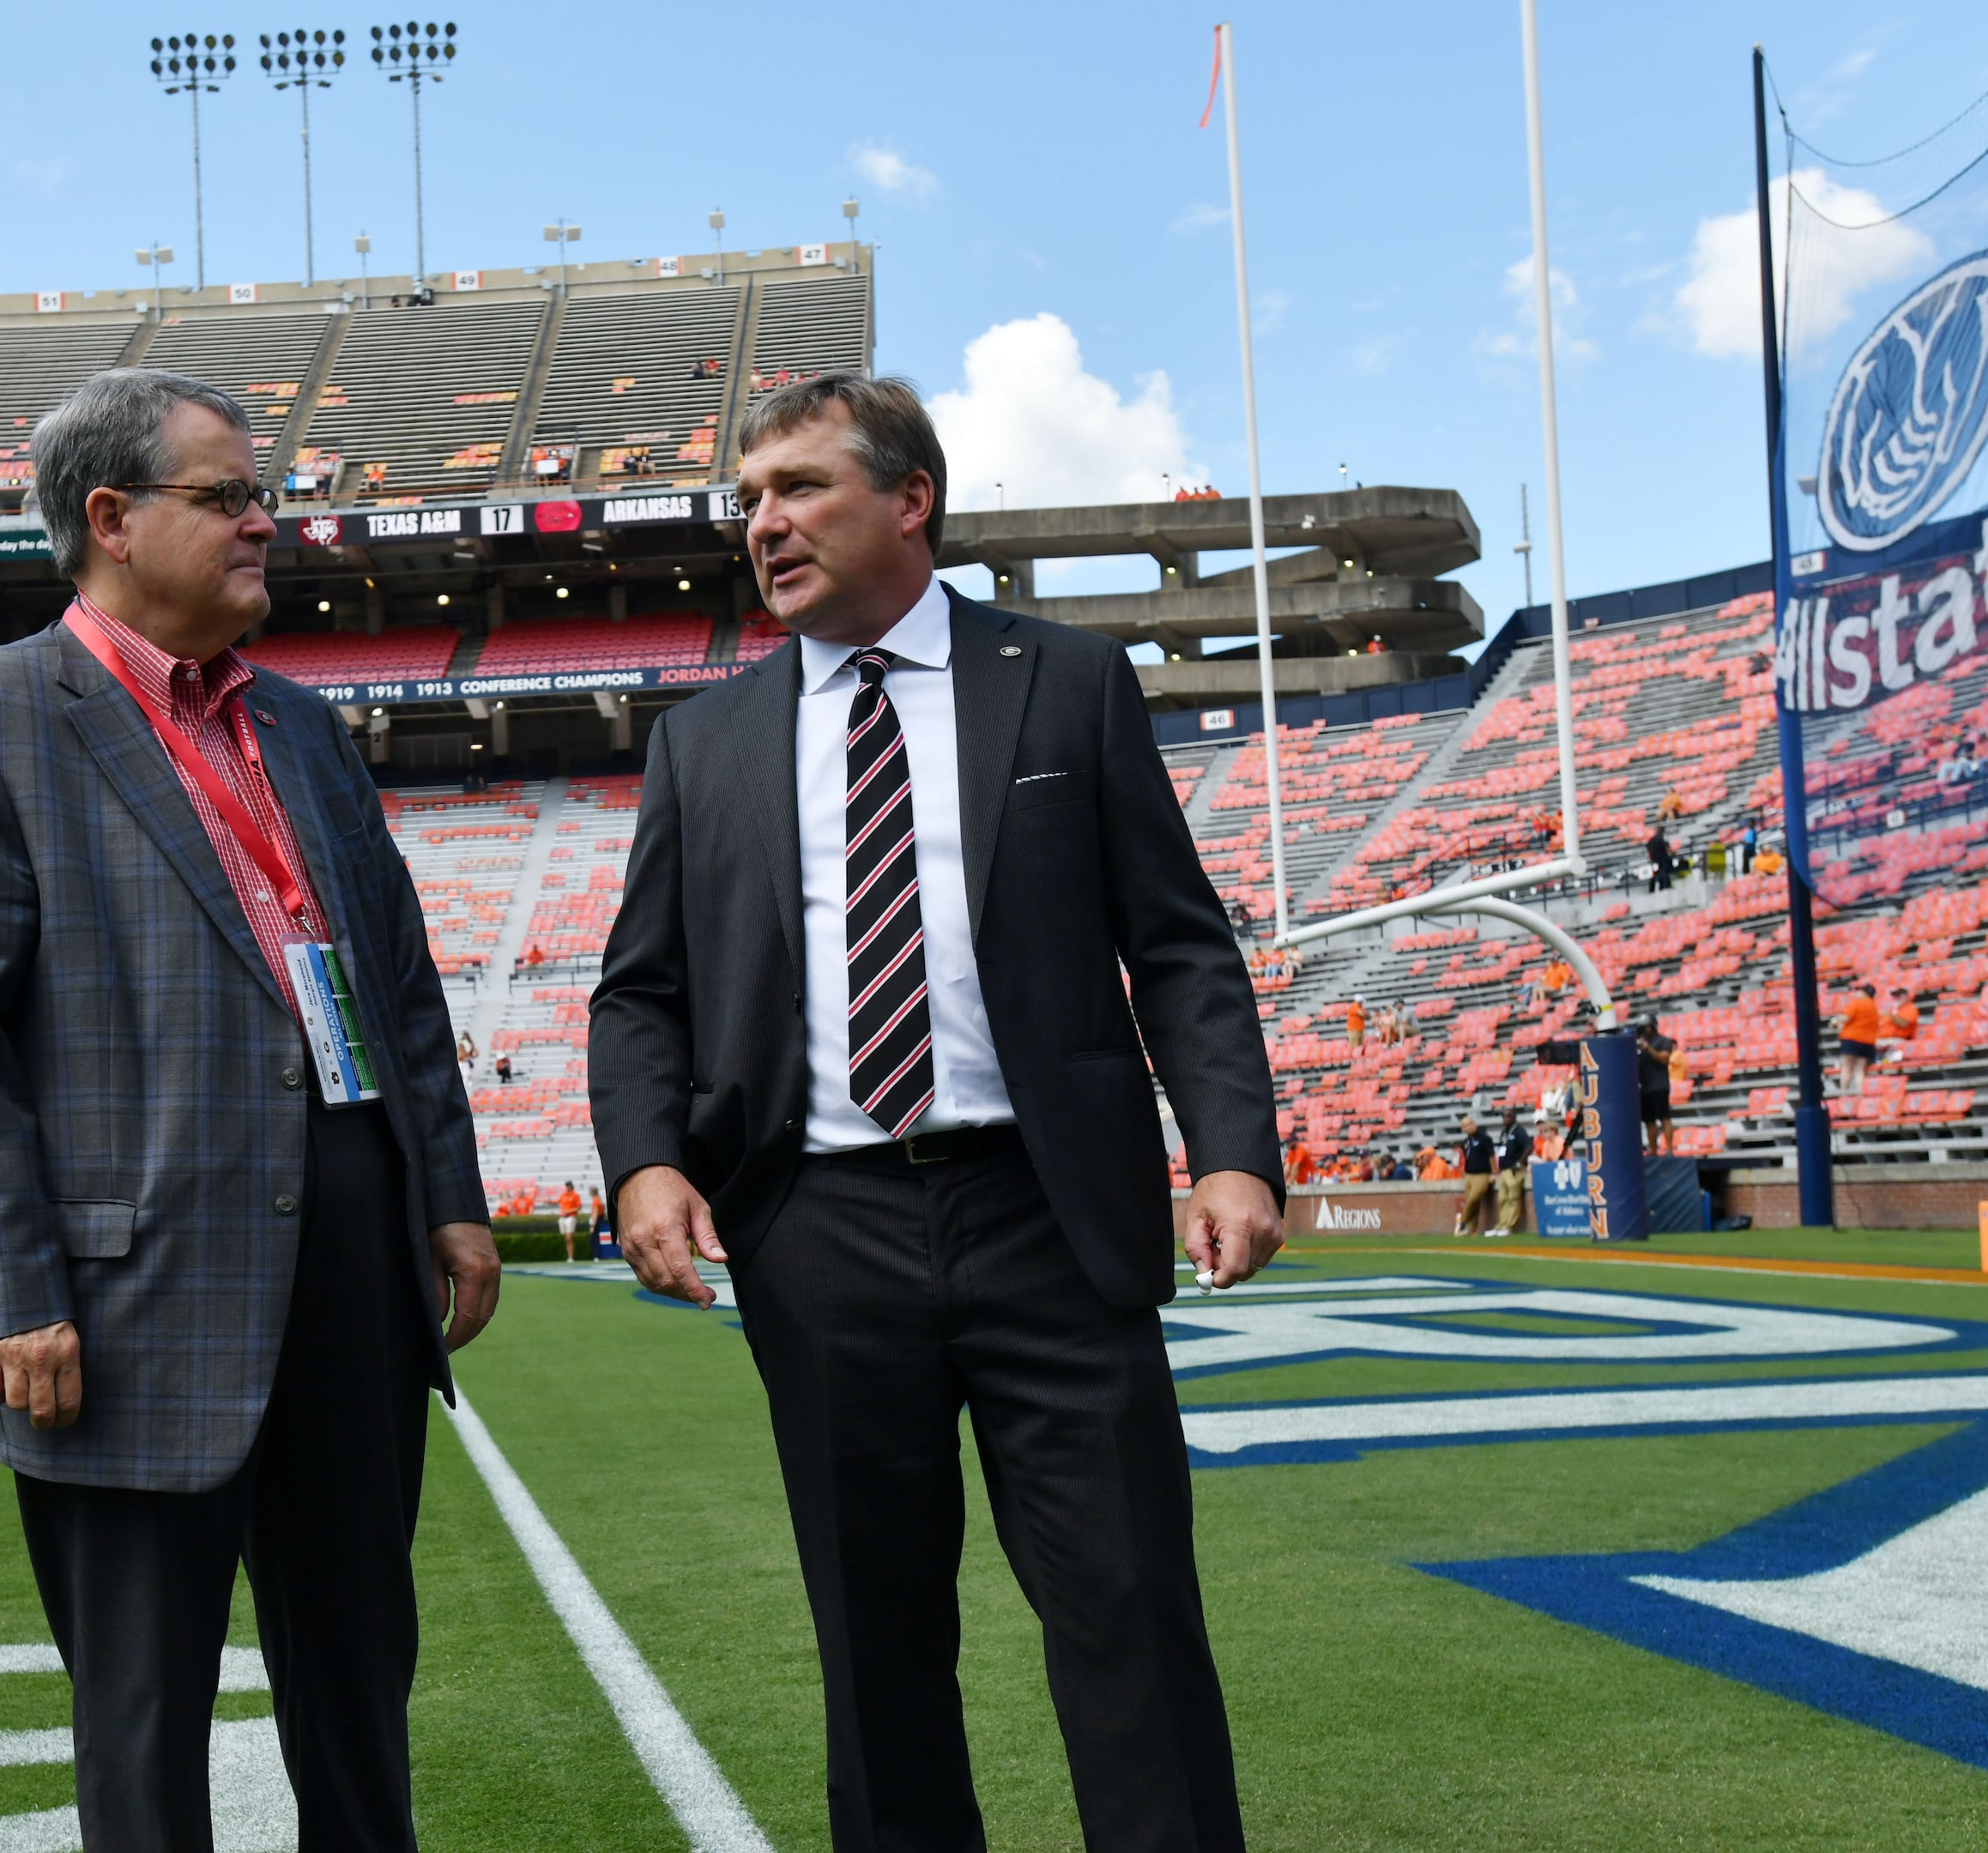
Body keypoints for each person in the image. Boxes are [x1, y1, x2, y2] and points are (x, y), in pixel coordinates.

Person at [589, 372, 1284, 1850]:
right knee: (876, 1644)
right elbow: (640, 994)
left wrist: (1230, 1149)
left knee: (1131, 1612)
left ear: (910, 499)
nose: (762, 523)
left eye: (798, 488)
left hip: (1051, 1217)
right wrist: (645, 1165)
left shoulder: (1068, 680)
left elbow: (1176, 942)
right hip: (821, 1229)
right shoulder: (700, 744)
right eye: (750, 498)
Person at [0, 369, 502, 1848]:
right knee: (144, 1723)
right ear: (110, 518)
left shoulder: (298, 728)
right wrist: (5, 1291)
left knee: (361, 1684)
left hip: (354, 1272)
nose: (265, 524)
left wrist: (448, 1195)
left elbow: (397, 989)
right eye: (227, 498)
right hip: (123, 1304)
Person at [1635, 1017, 1677, 1155]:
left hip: (1659, 1085)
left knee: (1664, 1117)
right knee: (1649, 1120)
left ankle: (1670, 1149)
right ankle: (1653, 1150)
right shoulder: (1639, 1044)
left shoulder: (1664, 1041)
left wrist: (1648, 1048)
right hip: (1644, 1086)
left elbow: (1664, 1059)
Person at [1834, 986, 1882, 1094]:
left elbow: (1846, 1018)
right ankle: (1860, 1094)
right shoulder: (1873, 1006)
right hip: (1868, 1041)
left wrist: (1834, 1022)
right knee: (1860, 1070)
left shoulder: (1857, 1003)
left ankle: (1844, 1093)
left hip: (1852, 1038)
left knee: (1847, 1067)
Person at [1453, 1114, 1496, 1236]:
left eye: (1471, 1124)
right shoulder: (1466, 1142)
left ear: (1475, 1124)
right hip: (1469, 1175)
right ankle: (1471, 1228)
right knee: (1472, 1202)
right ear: (1463, 1129)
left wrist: (1494, 1173)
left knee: (1473, 1198)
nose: (1469, 1127)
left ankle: (1462, 1221)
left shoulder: (1485, 1139)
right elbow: (1461, 1159)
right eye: (1466, 1125)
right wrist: (1463, 1173)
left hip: (1482, 1174)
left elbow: (1491, 1156)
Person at [1497, 1113, 1535, 1234]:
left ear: (1514, 1118)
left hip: (1514, 1169)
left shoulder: (1519, 1130)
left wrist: (1519, 1163)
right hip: (1504, 1170)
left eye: (1508, 1116)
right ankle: (1502, 1225)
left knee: (1513, 1196)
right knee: (1502, 1198)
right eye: (1504, 1116)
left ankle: (1509, 1226)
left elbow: (1529, 1147)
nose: (1505, 1119)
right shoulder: (1504, 1132)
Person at [556, 1180, 583, 1262]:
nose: (567, 1187)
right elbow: (557, 1202)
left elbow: (578, 1207)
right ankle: (569, 1256)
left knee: (569, 1237)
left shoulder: (575, 1195)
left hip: (571, 1217)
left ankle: (571, 1257)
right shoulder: (563, 1195)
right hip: (563, 1218)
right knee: (566, 1238)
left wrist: (568, 1211)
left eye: (568, 1186)